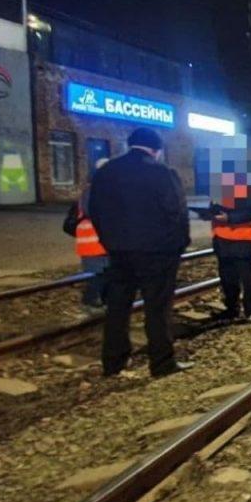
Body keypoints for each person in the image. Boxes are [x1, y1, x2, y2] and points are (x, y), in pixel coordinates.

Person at [88, 127, 193, 378]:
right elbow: (177, 214)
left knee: (118, 308)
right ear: (156, 150)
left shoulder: (106, 172)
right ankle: (162, 363)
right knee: (157, 309)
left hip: (120, 252)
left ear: (130, 145)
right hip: (158, 253)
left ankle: (113, 363)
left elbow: (95, 211)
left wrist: (109, 242)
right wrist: (179, 245)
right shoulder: (163, 173)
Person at [63, 157, 110, 313]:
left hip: (94, 241)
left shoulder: (91, 190)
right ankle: (90, 303)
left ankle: (101, 303)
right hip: (96, 241)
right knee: (97, 276)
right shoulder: (97, 191)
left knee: (103, 274)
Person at [209, 193, 251, 323]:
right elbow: (214, 207)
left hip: (244, 240)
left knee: (247, 279)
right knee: (227, 278)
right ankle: (232, 309)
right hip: (222, 239)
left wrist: (229, 217)